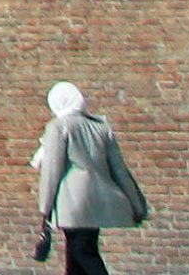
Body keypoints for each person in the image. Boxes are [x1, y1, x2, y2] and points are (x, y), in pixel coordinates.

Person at [35, 82, 152, 275]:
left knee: (82, 251)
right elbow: (119, 170)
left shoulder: (58, 127)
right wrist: (137, 204)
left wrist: (45, 208)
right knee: (78, 251)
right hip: (98, 201)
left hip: (73, 202)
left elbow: (51, 171)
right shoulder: (100, 128)